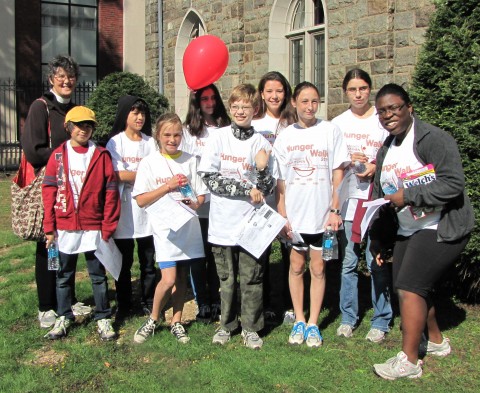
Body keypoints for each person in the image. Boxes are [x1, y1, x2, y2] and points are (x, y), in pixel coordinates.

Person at [370, 84, 474, 379]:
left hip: (440, 225)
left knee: (409, 287)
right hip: (408, 228)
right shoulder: (386, 149)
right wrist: (379, 239)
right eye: (382, 111)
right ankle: (437, 342)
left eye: (394, 108)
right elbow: (383, 199)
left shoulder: (433, 138)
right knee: (412, 286)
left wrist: (410, 195)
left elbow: (453, 183)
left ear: (409, 108)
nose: (388, 115)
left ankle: (410, 361)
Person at [198, 83, 275, 350]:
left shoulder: (262, 143)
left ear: (255, 109)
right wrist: (246, 188)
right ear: (230, 108)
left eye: (246, 106)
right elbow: (210, 178)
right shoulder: (218, 138)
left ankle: (251, 327)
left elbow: (268, 188)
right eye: (236, 106)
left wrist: (263, 169)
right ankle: (227, 324)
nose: (241, 111)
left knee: (252, 276)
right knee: (227, 278)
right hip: (223, 223)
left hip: (251, 224)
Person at [273, 81, 350, 348]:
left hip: (322, 216)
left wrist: (334, 209)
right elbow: (280, 180)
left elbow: (338, 172)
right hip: (295, 216)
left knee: (318, 267)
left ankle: (314, 324)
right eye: (304, 101)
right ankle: (299, 320)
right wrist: (282, 213)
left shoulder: (330, 131)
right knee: (296, 266)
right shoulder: (285, 136)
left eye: (315, 101)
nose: (310, 107)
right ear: (294, 103)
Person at [20, 55, 91, 329]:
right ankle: (47, 305)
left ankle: (68, 298)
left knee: (70, 244)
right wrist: (65, 155)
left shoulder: (75, 110)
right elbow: (33, 150)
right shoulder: (41, 108)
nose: (66, 81)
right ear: (51, 79)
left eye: (71, 76)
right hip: (50, 188)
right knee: (49, 246)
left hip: (72, 189)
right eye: (61, 76)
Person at [42, 106, 120, 340]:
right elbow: (49, 190)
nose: (83, 129)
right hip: (64, 227)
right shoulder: (57, 156)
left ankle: (103, 316)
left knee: (97, 274)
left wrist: (107, 225)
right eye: (78, 125)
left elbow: (111, 192)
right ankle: (64, 315)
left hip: (93, 225)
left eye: (88, 125)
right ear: (68, 127)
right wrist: (49, 227)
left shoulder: (101, 155)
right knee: (63, 274)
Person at [133, 113, 208, 344]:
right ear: (158, 135)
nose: (172, 139)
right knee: (168, 279)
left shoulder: (191, 160)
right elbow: (141, 199)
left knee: (182, 277)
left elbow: (201, 194)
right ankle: (153, 318)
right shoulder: (149, 163)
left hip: (187, 226)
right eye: (167, 134)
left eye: (176, 134)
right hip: (165, 229)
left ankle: (176, 321)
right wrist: (168, 186)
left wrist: (195, 202)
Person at [331, 69, 392, 342]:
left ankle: (381, 319)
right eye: (353, 89)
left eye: (363, 88)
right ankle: (348, 316)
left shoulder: (381, 122)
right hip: (348, 199)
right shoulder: (338, 123)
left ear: (370, 90)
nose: (358, 94)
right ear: (346, 92)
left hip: (375, 200)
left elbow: (392, 156)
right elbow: (332, 164)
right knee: (348, 262)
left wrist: (374, 166)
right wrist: (347, 160)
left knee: (375, 260)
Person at [182, 84, 230, 323]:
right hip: (199, 202)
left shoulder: (226, 128)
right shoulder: (188, 132)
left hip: (221, 203)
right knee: (199, 257)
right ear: (197, 103)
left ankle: (217, 299)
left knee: (217, 255)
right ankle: (203, 303)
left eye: (213, 98)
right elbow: (183, 167)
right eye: (204, 99)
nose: (210, 103)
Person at [106, 95, 157, 318]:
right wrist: (142, 175)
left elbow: (157, 172)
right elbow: (117, 174)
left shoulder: (150, 142)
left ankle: (147, 300)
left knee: (148, 262)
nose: (139, 117)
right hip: (124, 211)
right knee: (124, 263)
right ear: (125, 114)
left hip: (147, 211)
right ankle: (124, 303)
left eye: (142, 113)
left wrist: (135, 176)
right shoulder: (115, 142)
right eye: (134, 113)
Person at [252, 71, 296, 324]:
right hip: (262, 199)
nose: (274, 95)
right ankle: (266, 304)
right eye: (269, 91)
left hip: (291, 194)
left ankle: (291, 304)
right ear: (261, 94)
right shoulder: (255, 124)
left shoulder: (293, 122)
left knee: (291, 252)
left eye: (279, 90)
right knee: (263, 254)